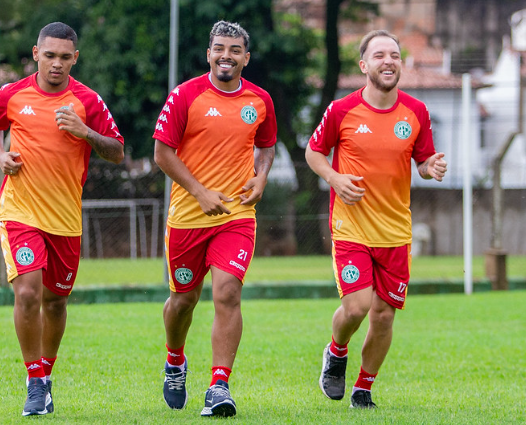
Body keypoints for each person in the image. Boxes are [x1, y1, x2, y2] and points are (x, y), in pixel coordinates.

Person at [0, 22, 124, 416]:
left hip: (65, 219)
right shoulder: (12, 94)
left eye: (65, 57)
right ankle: (33, 380)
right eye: (50, 55)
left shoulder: (88, 101)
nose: (56, 64)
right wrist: (0, 155)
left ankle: (46, 374)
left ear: (75, 59)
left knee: (56, 301)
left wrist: (84, 132)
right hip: (20, 210)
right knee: (28, 292)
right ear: (35, 54)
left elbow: (117, 151)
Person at [305, 30, 447, 409]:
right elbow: (314, 152)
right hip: (351, 228)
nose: (389, 61)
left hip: (396, 232)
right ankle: (336, 352)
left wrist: (431, 166)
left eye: (395, 55)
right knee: (357, 307)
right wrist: (334, 178)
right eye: (380, 55)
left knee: (383, 316)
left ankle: (363, 388)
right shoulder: (341, 110)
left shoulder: (416, 112)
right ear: (364, 65)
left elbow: (423, 160)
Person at [153, 20, 277, 417]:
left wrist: (261, 177)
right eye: (219, 48)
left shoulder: (260, 100)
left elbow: (267, 145)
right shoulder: (185, 95)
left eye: (235, 49)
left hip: (235, 216)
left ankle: (219, 386)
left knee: (227, 293)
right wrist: (201, 192)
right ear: (208, 54)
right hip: (188, 218)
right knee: (182, 301)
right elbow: (162, 153)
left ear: (246, 57)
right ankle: (175, 361)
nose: (227, 55)